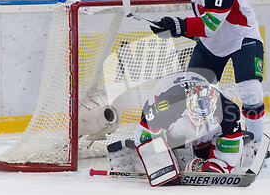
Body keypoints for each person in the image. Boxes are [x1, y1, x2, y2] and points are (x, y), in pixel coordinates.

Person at [149, 0, 265, 147]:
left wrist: (178, 26)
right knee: (196, 94)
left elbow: (210, 25)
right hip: (212, 43)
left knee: (250, 91)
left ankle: (256, 144)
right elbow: (202, 14)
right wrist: (186, 29)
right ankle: (206, 140)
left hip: (242, 38)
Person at [107, 73, 252, 186]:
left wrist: (216, 167)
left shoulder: (229, 111)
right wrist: (160, 162)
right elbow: (144, 137)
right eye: (195, 114)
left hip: (203, 134)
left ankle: (203, 149)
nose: (198, 121)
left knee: (223, 166)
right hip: (168, 127)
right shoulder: (165, 107)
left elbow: (227, 160)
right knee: (162, 171)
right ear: (187, 100)